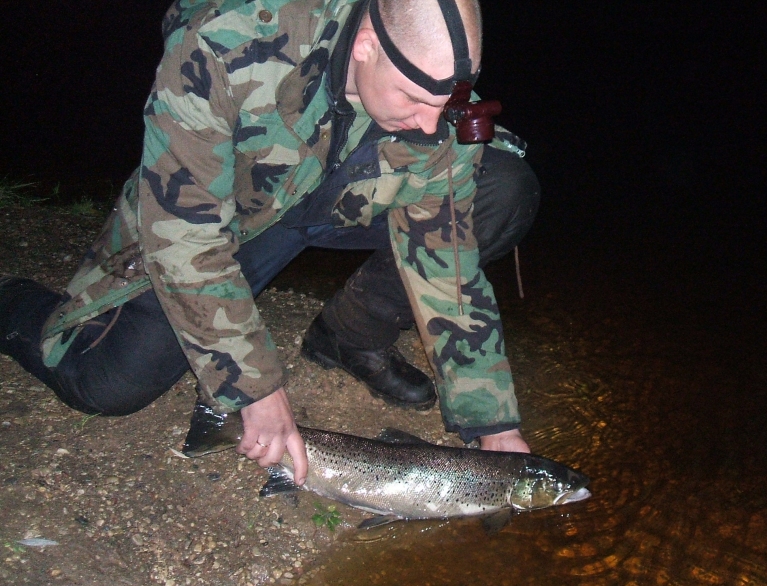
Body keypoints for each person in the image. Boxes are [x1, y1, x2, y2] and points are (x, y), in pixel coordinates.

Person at [0, 0, 539, 488]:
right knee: (108, 387)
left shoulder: (434, 110)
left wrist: (493, 422)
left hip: (338, 202)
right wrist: (255, 387)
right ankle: (11, 299)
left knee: (502, 186)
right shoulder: (222, 42)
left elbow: (445, 258)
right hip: (226, 220)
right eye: (415, 99)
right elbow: (184, 234)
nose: (428, 125)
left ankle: (348, 336)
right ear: (366, 45)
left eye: (442, 105)